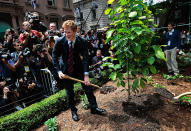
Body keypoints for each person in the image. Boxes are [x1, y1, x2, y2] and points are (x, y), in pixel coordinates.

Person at [52, 20, 106, 121]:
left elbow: (85, 59)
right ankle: (73, 111)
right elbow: (54, 57)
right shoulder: (59, 41)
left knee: (88, 88)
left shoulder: (83, 41)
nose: (66, 34)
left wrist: (86, 75)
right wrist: (59, 71)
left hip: (79, 68)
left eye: (68, 32)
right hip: (65, 70)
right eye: (64, 32)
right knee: (70, 93)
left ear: (75, 31)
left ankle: (94, 108)